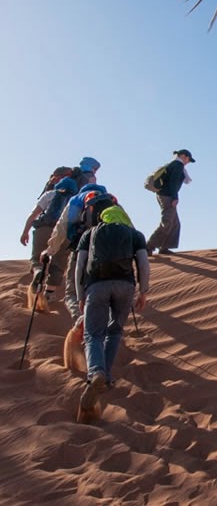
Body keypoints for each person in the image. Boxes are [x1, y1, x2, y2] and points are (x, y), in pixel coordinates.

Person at [75, 204, 149, 423]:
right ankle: (105, 377)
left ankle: (95, 373)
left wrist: (81, 295)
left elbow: (79, 266)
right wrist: (143, 292)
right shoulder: (135, 234)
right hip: (125, 287)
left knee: (92, 334)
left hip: (96, 286)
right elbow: (143, 264)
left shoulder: (90, 233)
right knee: (114, 332)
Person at [43, 183, 109, 322]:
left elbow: (61, 228)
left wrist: (50, 250)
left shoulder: (76, 200)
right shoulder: (111, 202)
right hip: (106, 253)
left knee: (71, 293)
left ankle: (81, 322)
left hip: (80, 249)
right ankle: (102, 325)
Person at [21, 177, 79, 305]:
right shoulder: (76, 200)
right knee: (58, 265)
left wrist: (25, 232)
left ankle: (38, 271)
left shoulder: (49, 194)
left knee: (37, 259)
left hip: (44, 229)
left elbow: (34, 214)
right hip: (65, 233)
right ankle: (49, 294)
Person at [148, 149, 195, 256]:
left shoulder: (174, 164)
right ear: (183, 156)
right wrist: (175, 197)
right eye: (188, 159)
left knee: (175, 223)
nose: (188, 162)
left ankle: (164, 247)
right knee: (168, 222)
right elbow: (173, 182)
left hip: (165, 195)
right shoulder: (178, 165)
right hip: (167, 196)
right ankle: (149, 246)